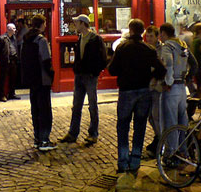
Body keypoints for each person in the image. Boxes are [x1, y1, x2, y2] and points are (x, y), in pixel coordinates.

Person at [108, 19, 166, 174]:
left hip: (127, 90)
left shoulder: (122, 48)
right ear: (143, 32)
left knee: (123, 126)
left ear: (131, 30)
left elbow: (112, 70)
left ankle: (122, 160)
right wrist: (149, 75)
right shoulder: (149, 49)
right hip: (143, 91)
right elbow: (162, 70)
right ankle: (135, 161)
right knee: (139, 126)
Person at [59, 14, 107, 145]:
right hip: (80, 75)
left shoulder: (95, 39)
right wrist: (76, 69)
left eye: (77, 23)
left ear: (83, 24)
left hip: (90, 76)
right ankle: (73, 133)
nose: (75, 25)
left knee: (92, 105)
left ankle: (93, 133)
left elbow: (103, 58)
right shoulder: (80, 38)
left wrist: (94, 72)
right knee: (76, 106)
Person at [160, 23, 198, 152]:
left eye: (161, 34)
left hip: (172, 88)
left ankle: (172, 153)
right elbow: (194, 64)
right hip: (182, 87)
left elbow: (168, 64)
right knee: (183, 120)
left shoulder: (167, 46)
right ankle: (184, 151)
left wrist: (168, 82)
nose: (160, 37)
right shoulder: (183, 45)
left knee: (171, 122)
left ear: (164, 33)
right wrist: (188, 78)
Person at [21, 14, 57, 151]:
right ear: (42, 24)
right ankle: (44, 140)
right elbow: (46, 60)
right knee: (45, 110)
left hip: (31, 79)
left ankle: (37, 138)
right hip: (42, 79)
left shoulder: (26, 40)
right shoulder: (41, 40)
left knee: (35, 109)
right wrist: (51, 74)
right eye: (45, 23)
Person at [144, 25, 163, 156]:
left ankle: (160, 141)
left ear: (157, 36)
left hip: (157, 86)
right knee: (150, 116)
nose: (149, 38)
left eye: (151, 36)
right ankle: (158, 137)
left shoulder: (162, 49)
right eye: (147, 36)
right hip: (148, 86)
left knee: (156, 115)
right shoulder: (146, 48)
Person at [0, 23, 20, 102]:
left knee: (13, 78)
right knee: (3, 78)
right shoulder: (2, 38)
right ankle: (1, 95)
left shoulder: (14, 38)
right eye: (14, 28)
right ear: (9, 29)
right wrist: (2, 59)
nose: (15, 30)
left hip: (13, 60)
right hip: (5, 61)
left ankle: (11, 93)